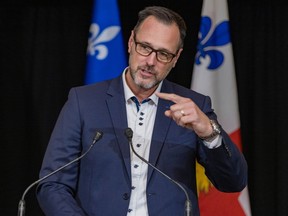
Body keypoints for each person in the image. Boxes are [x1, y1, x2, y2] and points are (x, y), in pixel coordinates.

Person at [37, 6, 247, 216]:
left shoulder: (193, 107)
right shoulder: (84, 102)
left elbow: (233, 182)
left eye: (163, 54)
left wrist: (209, 132)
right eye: (145, 47)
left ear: (176, 58)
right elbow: (52, 185)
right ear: (131, 42)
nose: (150, 61)